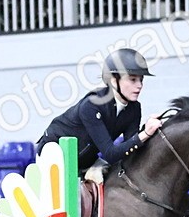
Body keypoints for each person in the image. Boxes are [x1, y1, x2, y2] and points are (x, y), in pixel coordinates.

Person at [36, 48, 165, 183]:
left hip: (86, 160)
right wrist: (145, 134)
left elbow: (131, 148)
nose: (139, 86)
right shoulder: (91, 105)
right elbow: (111, 154)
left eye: (141, 80)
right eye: (133, 80)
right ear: (114, 81)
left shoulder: (134, 109)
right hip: (54, 157)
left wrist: (150, 130)